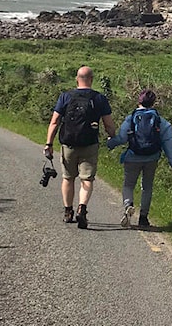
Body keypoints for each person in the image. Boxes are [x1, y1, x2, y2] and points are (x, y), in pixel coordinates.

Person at [43, 66, 116, 229]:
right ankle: (82, 208)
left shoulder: (66, 96)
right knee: (87, 179)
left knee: (68, 178)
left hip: (68, 144)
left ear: (77, 79)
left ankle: (68, 212)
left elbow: (54, 122)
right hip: (89, 144)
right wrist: (112, 136)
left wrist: (49, 143)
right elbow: (108, 123)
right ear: (92, 79)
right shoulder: (99, 98)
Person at [107, 89, 172, 229]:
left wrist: (110, 143)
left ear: (138, 101)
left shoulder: (131, 118)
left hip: (133, 156)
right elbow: (168, 144)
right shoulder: (161, 121)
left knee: (128, 184)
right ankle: (143, 218)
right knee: (147, 187)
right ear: (154, 103)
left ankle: (128, 205)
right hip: (152, 158)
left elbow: (122, 138)